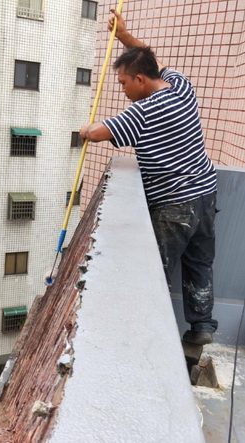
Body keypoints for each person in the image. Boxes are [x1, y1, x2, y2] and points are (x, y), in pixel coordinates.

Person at [80, 10, 218, 345]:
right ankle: (201, 327)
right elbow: (150, 60)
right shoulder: (180, 86)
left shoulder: (145, 111)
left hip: (175, 205)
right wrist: (125, 37)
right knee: (200, 263)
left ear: (140, 81)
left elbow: (96, 133)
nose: (123, 89)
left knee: (153, 270)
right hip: (205, 192)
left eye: (124, 83)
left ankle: (140, 336)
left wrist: (84, 127)